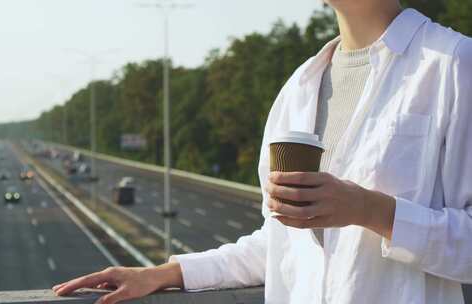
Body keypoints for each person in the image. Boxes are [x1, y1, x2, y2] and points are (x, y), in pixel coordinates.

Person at [52, 0, 472, 303]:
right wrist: (166, 273)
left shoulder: (453, 64)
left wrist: (368, 209)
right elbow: (281, 246)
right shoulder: (299, 88)